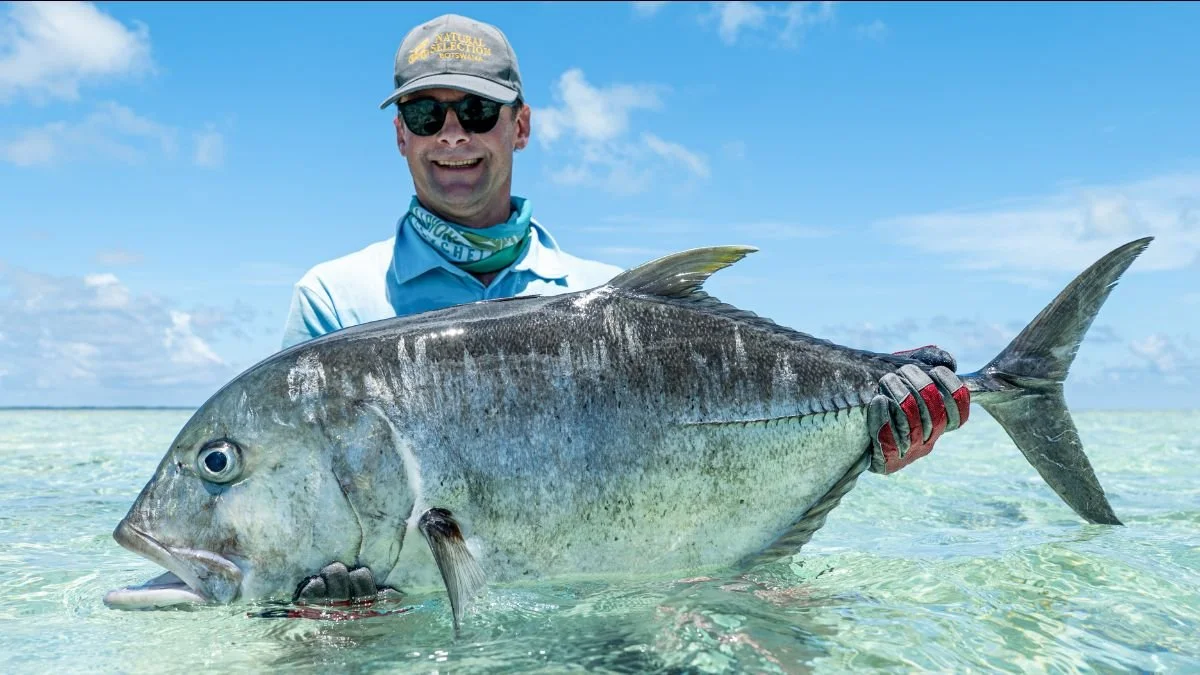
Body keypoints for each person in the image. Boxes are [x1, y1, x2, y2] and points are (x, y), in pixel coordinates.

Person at [283, 13, 970, 603]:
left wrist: (870, 427)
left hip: (603, 630)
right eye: (425, 114)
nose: (452, 134)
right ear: (400, 134)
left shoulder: (605, 303)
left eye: (479, 111)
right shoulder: (334, 302)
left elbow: (696, 479)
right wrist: (315, 614)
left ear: (521, 126)